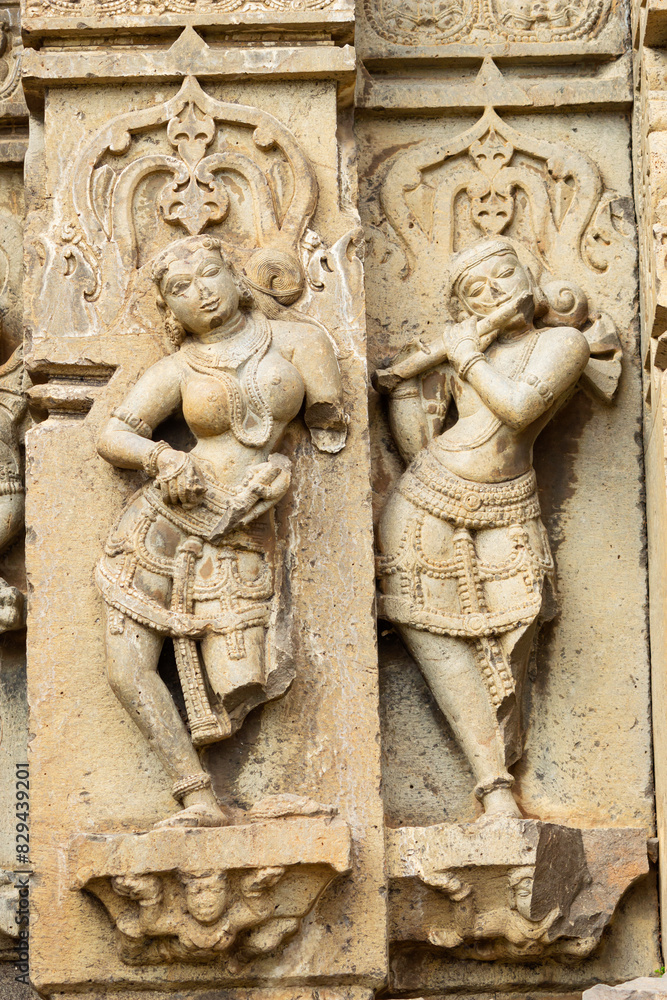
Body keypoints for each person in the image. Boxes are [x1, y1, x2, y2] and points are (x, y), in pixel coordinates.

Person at [95, 235, 346, 829]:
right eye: (180, 289)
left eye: (210, 274)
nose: (201, 293)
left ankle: (279, 791)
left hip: (239, 530)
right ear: (168, 312)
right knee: (126, 668)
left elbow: (329, 428)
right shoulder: (178, 368)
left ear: (236, 276)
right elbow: (114, 435)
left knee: (238, 680)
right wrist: (163, 460)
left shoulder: (299, 342)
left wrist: (282, 468)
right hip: (158, 527)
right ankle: (197, 797)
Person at [375, 237, 590, 817]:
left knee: (517, 627)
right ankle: (493, 787)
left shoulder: (562, 343)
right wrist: (413, 386)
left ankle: (505, 763)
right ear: (463, 308)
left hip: (509, 503)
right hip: (426, 499)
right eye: (476, 291)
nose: (493, 294)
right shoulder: (466, 348)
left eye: (502, 276)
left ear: (530, 273)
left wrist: (465, 355)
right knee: (438, 638)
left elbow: (519, 410)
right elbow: (412, 410)